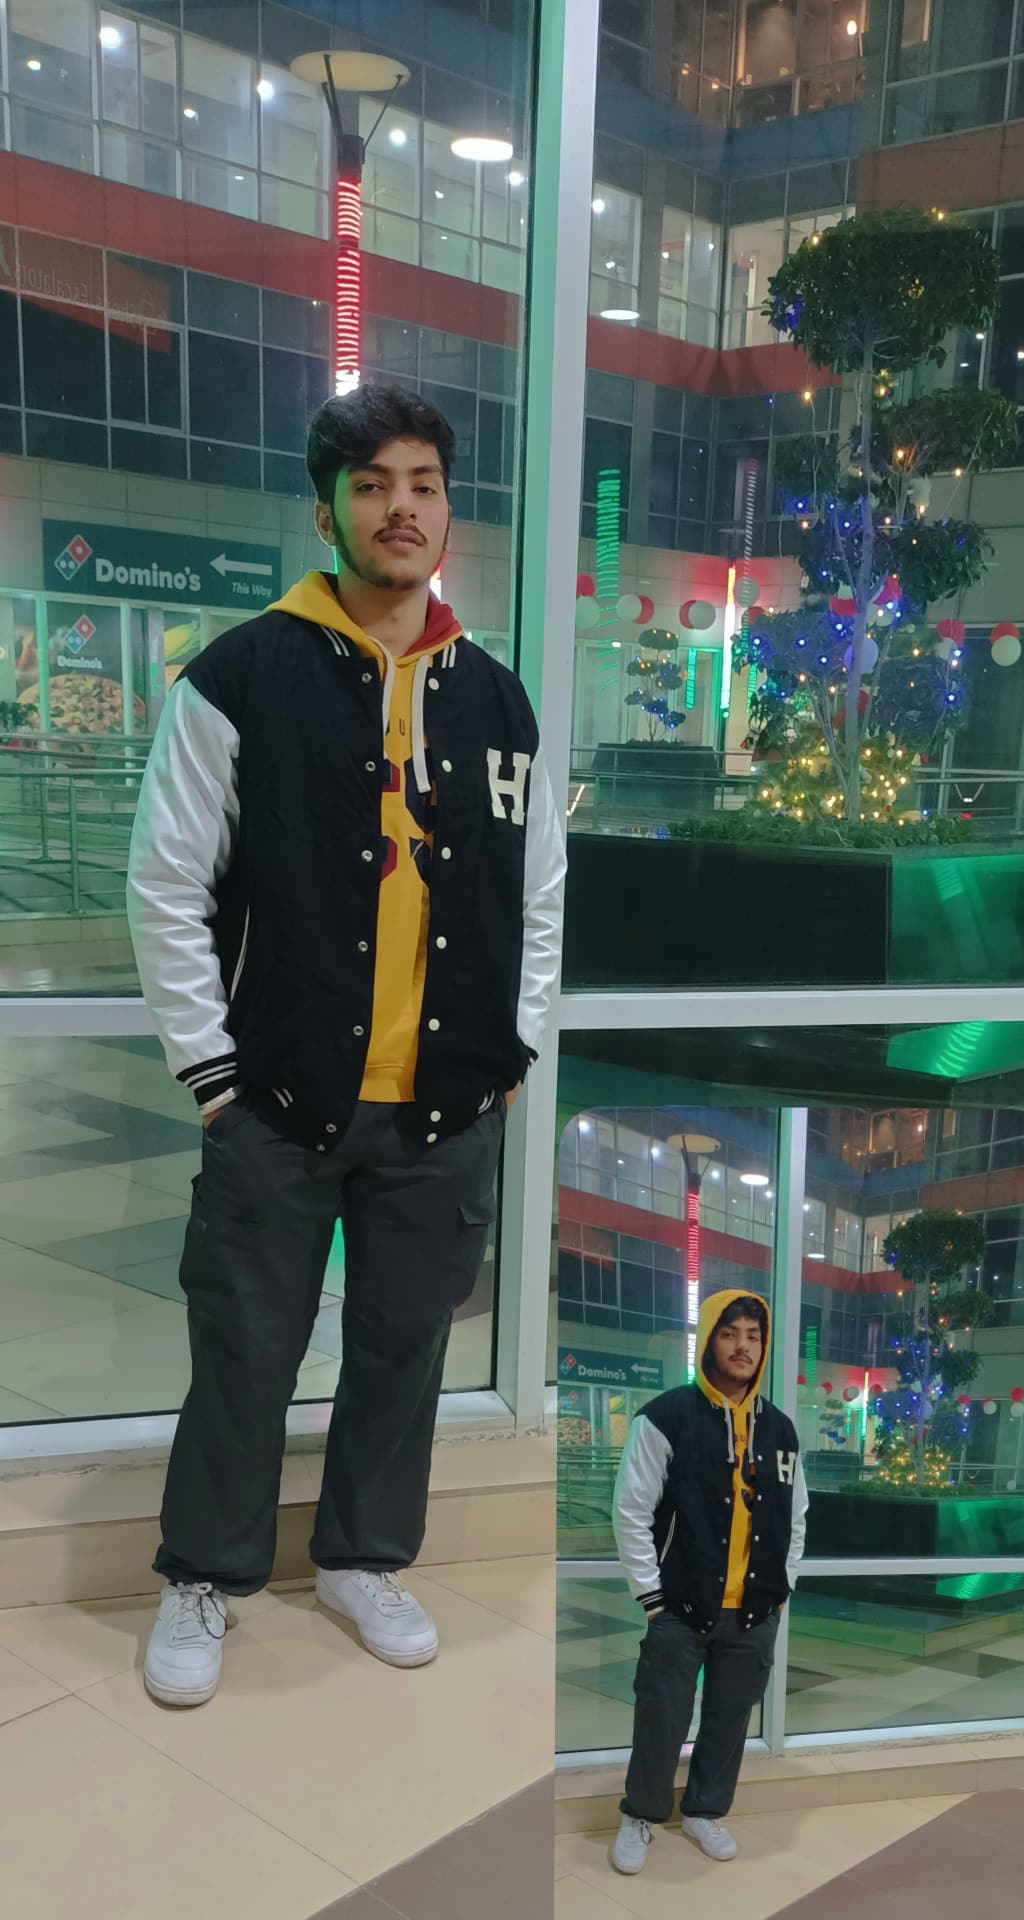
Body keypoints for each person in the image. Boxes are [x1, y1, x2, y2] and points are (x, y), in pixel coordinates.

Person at [127, 382, 566, 1707]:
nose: (400, 508)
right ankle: (205, 1574)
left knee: (403, 1348)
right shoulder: (241, 676)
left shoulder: (497, 701)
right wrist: (214, 1076)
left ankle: (364, 1559)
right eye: (371, 485)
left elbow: (541, 893)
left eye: (422, 483)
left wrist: (512, 1052)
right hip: (274, 1100)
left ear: (448, 511)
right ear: (327, 511)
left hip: (444, 1108)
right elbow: (166, 884)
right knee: (244, 1350)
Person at [610, 1289, 808, 1873]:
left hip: (754, 1611)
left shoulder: (781, 1430)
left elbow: (796, 1516)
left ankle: (704, 1811)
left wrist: (781, 1591)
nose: (743, 1346)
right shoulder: (665, 1417)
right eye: (730, 1333)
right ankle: (642, 1814)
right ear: (709, 1342)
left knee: (730, 1717)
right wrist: (652, 1598)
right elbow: (631, 1511)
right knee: (662, 1716)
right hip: (678, 1607)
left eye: (753, 1336)